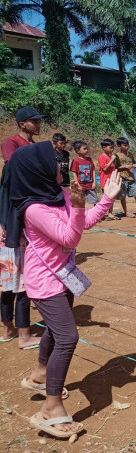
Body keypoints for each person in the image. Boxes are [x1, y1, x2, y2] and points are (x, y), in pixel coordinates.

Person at [10, 142, 121, 438]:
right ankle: (51, 407)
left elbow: (82, 225)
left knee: (56, 332)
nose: (60, 166)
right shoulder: (34, 209)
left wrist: (106, 200)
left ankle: (39, 376)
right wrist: (80, 204)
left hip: (63, 275)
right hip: (45, 281)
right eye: (53, 162)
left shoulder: (58, 196)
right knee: (68, 336)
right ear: (37, 170)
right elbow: (70, 239)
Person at [0, 106, 44, 350]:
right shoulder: (12, 145)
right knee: (22, 281)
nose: (37, 124)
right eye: (33, 121)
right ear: (22, 123)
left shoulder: (32, 146)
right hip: (17, 220)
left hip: (15, 217)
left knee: (10, 280)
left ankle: (9, 330)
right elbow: (15, 169)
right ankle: (22, 335)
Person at [115, 137, 136, 217]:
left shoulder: (130, 154)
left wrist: (134, 165)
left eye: (127, 145)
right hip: (122, 178)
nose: (127, 147)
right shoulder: (117, 156)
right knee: (123, 196)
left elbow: (134, 163)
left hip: (131, 177)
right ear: (119, 146)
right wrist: (124, 166)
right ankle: (126, 212)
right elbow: (115, 168)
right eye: (125, 145)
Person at [97, 139, 120, 220]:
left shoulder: (110, 157)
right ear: (104, 148)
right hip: (105, 180)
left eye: (113, 147)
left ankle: (110, 213)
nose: (112, 149)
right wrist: (112, 160)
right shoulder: (101, 157)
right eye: (110, 147)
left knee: (111, 197)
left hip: (111, 179)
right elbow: (105, 168)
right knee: (105, 197)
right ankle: (102, 213)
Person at [70, 141, 98, 207]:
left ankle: (96, 215)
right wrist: (78, 184)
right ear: (78, 151)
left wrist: (94, 182)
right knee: (80, 201)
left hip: (90, 184)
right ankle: (81, 214)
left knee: (95, 200)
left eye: (87, 148)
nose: (86, 150)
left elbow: (93, 170)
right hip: (81, 185)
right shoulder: (76, 161)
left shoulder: (89, 159)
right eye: (84, 149)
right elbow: (74, 173)